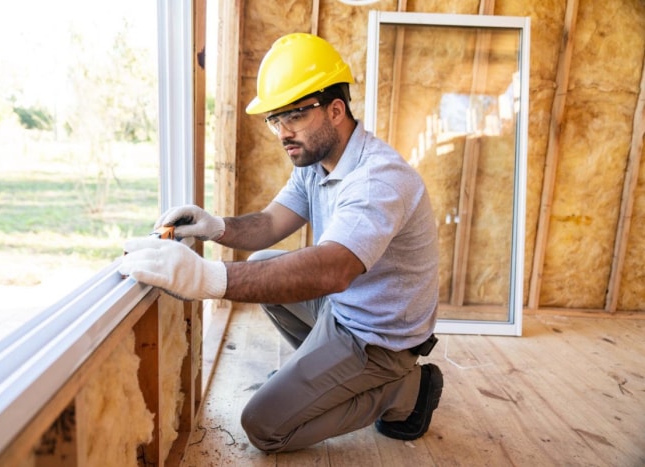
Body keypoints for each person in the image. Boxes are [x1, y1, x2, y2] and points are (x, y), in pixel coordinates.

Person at [120, 32, 443, 453]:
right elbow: (271, 222)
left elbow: (333, 269)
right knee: (264, 260)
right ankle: (326, 379)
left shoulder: (377, 180)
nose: (281, 133)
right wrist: (214, 226)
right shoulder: (316, 161)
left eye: (293, 116)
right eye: (275, 119)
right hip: (346, 311)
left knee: (264, 426)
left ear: (335, 110)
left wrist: (207, 278)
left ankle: (406, 389)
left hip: (379, 339)